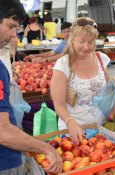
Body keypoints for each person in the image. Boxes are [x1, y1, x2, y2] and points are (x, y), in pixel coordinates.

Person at [0, 0, 62, 174]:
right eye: (10, 26)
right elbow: (3, 131)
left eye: (16, 28)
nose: (14, 34)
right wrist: (45, 148)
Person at [50, 17, 115, 145]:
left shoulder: (100, 59)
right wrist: (70, 122)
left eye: (91, 42)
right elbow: (59, 104)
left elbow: (107, 88)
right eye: (82, 41)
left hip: (100, 129)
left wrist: (114, 83)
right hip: (74, 133)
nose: (86, 46)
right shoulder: (63, 65)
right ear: (72, 39)